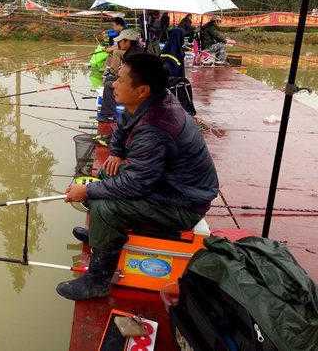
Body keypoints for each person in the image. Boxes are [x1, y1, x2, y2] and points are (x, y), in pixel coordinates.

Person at [57, 53, 219, 301]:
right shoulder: (153, 101)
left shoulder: (156, 126)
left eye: (120, 79)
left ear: (142, 90)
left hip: (183, 204)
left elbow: (136, 184)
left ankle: (99, 280)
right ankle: (102, 235)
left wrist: (87, 192)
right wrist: (117, 152)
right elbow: (123, 123)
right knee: (105, 174)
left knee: (103, 204)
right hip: (168, 184)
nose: (113, 84)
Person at [98, 29, 145, 121]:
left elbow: (128, 78)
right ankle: (111, 107)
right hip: (135, 81)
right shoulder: (134, 51)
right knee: (110, 79)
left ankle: (108, 115)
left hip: (136, 86)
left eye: (120, 41)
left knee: (108, 85)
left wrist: (118, 78)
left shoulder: (132, 55)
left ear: (127, 41)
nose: (118, 44)